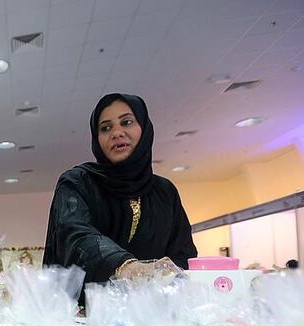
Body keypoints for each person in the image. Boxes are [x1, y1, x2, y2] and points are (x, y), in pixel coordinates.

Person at [43, 93, 197, 285]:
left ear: (144, 128)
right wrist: (125, 266)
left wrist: (167, 281)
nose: (116, 133)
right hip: (93, 309)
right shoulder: (78, 182)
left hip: (157, 308)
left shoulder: (165, 192)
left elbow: (183, 255)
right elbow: (74, 234)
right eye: (105, 128)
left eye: (126, 122)